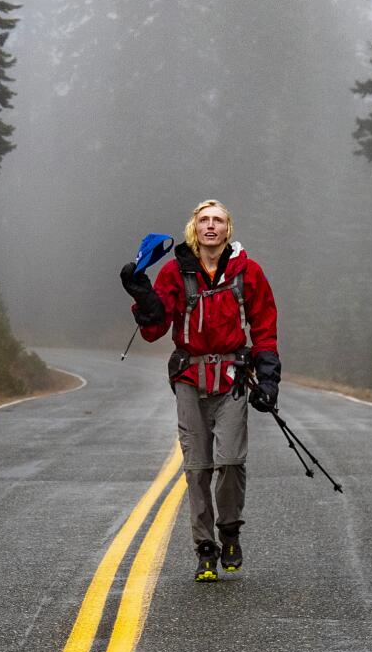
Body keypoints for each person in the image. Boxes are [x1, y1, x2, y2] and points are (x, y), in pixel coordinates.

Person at [120, 199, 281, 582]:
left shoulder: (249, 272)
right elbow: (155, 328)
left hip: (233, 378)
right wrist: (142, 294)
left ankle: (229, 532)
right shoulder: (176, 272)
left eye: (218, 221)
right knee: (196, 469)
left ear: (229, 228)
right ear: (195, 227)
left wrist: (269, 378)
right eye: (204, 220)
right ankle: (205, 547)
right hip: (190, 378)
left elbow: (264, 326)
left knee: (230, 462)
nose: (211, 226)